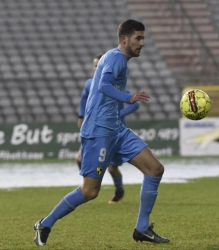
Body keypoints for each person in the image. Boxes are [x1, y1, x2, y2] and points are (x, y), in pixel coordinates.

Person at [33, 19, 170, 246]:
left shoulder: (116, 58)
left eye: (143, 38)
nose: (142, 43)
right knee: (89, 191)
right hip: (99, 132)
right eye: (138, 38)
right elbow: (103, 86)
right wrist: (129, 97)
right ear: (124, 39)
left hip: (116, 129)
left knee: (155, 169)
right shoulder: (116, 58)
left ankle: (142, 228)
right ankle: (44, 224)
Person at [76, 54, 140, 203]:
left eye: (100, 65)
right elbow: (83, 99)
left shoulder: (116, 86)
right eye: (95, 65)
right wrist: (81, 116)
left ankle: (119, 191)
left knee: (112, 167)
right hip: (94, 128)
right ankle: (88, 185)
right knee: (79, 158)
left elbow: (135, 104)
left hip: (113, 130)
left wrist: (119, 113)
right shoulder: (89, 84)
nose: (97, 67)